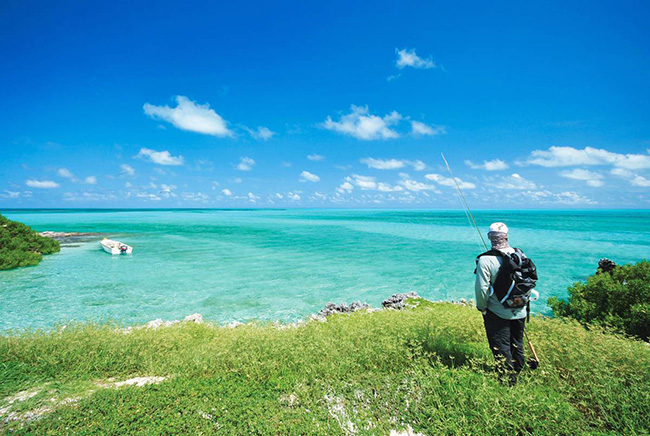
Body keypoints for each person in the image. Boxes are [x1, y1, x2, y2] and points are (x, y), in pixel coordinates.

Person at [475, 222, 526, 385]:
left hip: (497, 312)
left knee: (501, 347)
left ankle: (508, 382)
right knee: (517, 343)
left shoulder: (485, 260)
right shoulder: (520, 255)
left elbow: (482, 289)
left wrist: (482, 307)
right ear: (506, 237)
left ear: (490, 237)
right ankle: (519, 373)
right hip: (521, 308)